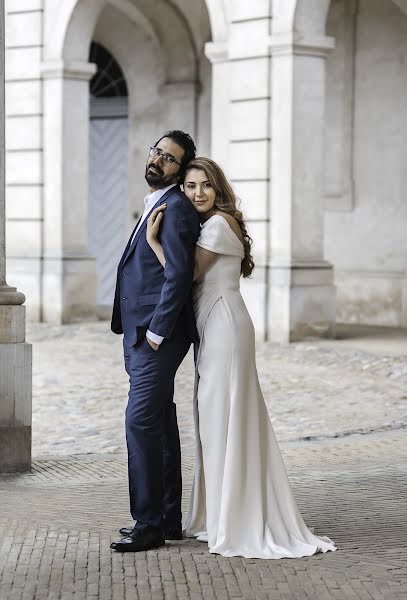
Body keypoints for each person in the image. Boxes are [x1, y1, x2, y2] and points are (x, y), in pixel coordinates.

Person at [146, 156, 337, 559]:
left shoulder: (217, 224)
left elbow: (186, 275)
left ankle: (234, 518)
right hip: (216, 324)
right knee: (218, 420)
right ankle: (222, 513)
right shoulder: (211, 224)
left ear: (219, 190)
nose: (197, 193)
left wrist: (155, 243)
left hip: (225, 326)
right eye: (190, 187)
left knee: (223, 419)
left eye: (205, 186)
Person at [110, 131, 201, 553]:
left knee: (139, 423)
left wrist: (156, 333)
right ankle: (166, 519)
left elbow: (179, 275)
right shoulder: (156, 202)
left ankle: (146, 524)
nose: (158, 160)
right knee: (160, 424)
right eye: (156, 151)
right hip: (140, 333)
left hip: (155, 335)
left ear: (179, 170)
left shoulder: (178, 208)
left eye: (169, 159)